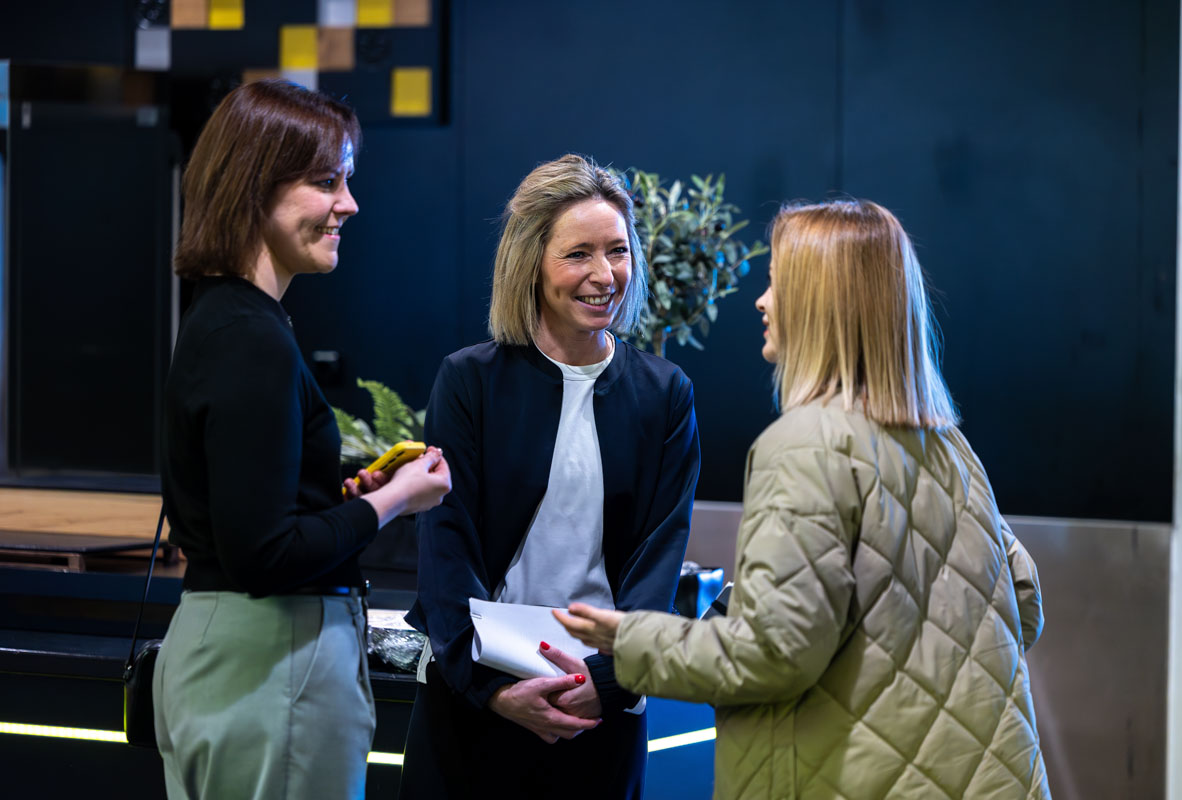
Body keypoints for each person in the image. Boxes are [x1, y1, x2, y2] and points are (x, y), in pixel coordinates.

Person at [557, 199, 1051, 799]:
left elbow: (774, 655)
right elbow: (1021, 604)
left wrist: (628, 642)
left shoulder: (804, 445)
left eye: (776, 283)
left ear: (822, 304)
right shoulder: (949, 444)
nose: (761, 301)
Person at [153, 79, 452, 800]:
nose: (349, 204)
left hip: (241, 658)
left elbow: (250, 522)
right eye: (326, 182)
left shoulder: (227, 319)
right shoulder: (250, 337)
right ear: (254, 186)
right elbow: (264, 556)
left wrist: (340, 502)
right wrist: (395, 501)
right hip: (270, 661)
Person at [399, 154, 701, 799]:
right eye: (578, 254)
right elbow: (447, 546)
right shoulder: (469, 381)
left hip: (600, 707)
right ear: (530, 263)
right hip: (475, 702)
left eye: (617, 251)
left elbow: (659, 555)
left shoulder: (665, 393)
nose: (604, 275)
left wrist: (609, 681)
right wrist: (493, 690)